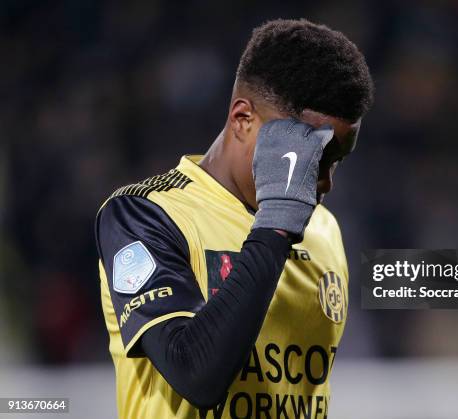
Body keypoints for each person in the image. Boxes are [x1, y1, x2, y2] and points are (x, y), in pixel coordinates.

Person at [95, 18, 374, 419]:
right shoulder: (144, 215)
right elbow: (196, 375)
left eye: (336, 162)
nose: (326, 182)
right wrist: (276, 224)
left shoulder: (325, 229)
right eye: (316, 158)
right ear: (243, 119)